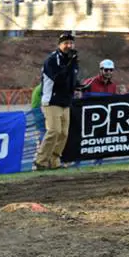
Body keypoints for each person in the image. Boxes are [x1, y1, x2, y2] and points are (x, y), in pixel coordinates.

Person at [33, 32, 80, 171]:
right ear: (59, 45)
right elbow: (59, 79)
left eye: (71, 43)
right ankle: (40, 161)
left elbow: (72, 79)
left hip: (65, 101)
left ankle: (54, 160)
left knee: (64, 133)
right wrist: (71, 63)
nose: (68, 46)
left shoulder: (72, 60)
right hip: (51, 101)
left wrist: (79, 85)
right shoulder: (52, 60)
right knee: (54, 131)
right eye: (65, 43)